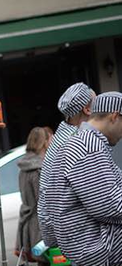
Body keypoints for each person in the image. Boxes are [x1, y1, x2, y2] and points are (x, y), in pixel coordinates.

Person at [46, 92, 122, 266]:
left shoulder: (86, 142)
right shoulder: (87, 147)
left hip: (89, 237)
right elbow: (106, 206)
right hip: (96, 242)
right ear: (115, 117)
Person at [38, 82, 95, 249]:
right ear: (87, 109)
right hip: (80, 234)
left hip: (63, 232)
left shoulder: (61, 138)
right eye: (98, 101)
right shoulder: (77, 143)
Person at [15, 127, 54, 266]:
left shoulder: (23, 167)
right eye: (50, 138)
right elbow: (45, 200)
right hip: (42, 224)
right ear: (44, 142)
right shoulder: (39, 168)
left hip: (30, 223)